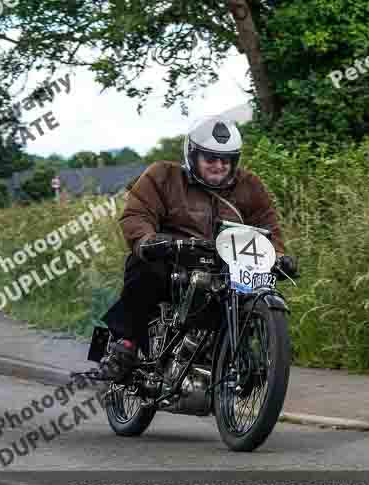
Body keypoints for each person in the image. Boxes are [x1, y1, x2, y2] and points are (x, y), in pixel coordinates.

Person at [97, 117, 295, 381]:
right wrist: (148, 240)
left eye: (225, 159)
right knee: (144, 266)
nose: (218, 165)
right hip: (174, 261)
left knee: (258, 289)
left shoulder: (250, 186)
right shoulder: (163, 176)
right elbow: (137, 213)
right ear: (193, 154)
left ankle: (237, 357)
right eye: (210, 158)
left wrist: (279, 256)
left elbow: (268, 228)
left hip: (226, 268)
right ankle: (126, 345)